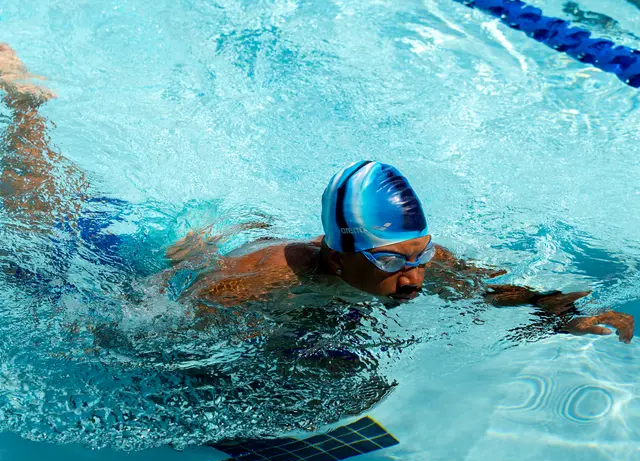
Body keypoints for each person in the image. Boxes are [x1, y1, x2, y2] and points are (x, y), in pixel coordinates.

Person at [0, 44, 634, 344]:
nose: (414, 278)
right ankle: (25, 106)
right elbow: (151, 328)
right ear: (336, 254)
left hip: (236, 232)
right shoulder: (256, 280)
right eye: (391, 262)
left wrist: (563, 316)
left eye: (419, 255)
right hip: (153, 246)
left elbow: (492, 289)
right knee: (35, 208)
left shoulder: (413, 263)